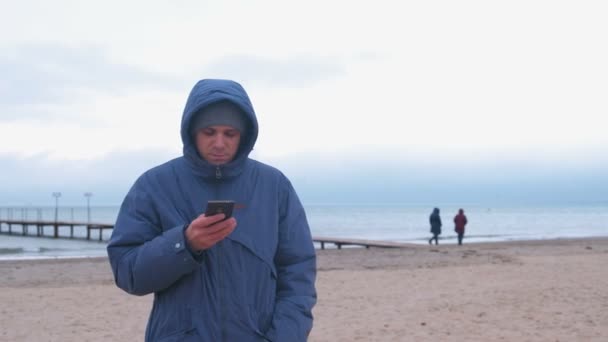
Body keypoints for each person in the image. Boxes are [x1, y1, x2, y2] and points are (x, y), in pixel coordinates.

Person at [106, 79, 317, 341]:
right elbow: (128, 273)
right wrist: (184, 244)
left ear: (244, 135)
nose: (219, 143)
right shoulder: (154, 185)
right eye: (209, 132)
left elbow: (298, 275)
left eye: (230, 133)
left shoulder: (274, 186)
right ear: (192, 132)